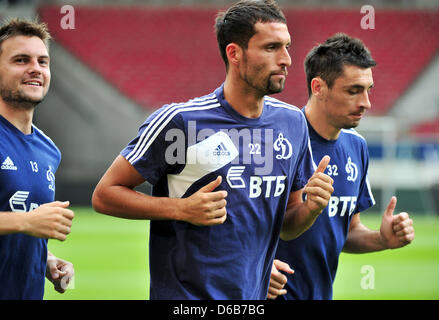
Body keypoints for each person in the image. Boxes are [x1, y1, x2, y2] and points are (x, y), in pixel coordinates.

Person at [92, 0, 334, 300]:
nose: (286, 59)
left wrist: (311, 209)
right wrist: (180, 209)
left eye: (287, 46)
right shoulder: (182, 121)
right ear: (235, 53)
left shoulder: (293, 123)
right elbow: (104, 195)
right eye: (271, 47)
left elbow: (287, 226)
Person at [268, 33, 415, 300]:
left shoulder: (356, 147)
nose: (366, 103)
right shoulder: (278, 142)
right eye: (353, 91)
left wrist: (382, 240)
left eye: (368, 90)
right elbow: (236, 227)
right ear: (318, 87)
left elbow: (346, 231)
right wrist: (256, 271)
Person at [0, 18, 75, 300]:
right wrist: (26, 222)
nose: (35, 68)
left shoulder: (48, 149)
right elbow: (24, 221)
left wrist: (47, 260)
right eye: (21, 60)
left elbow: (19, 224)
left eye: (43, 62)